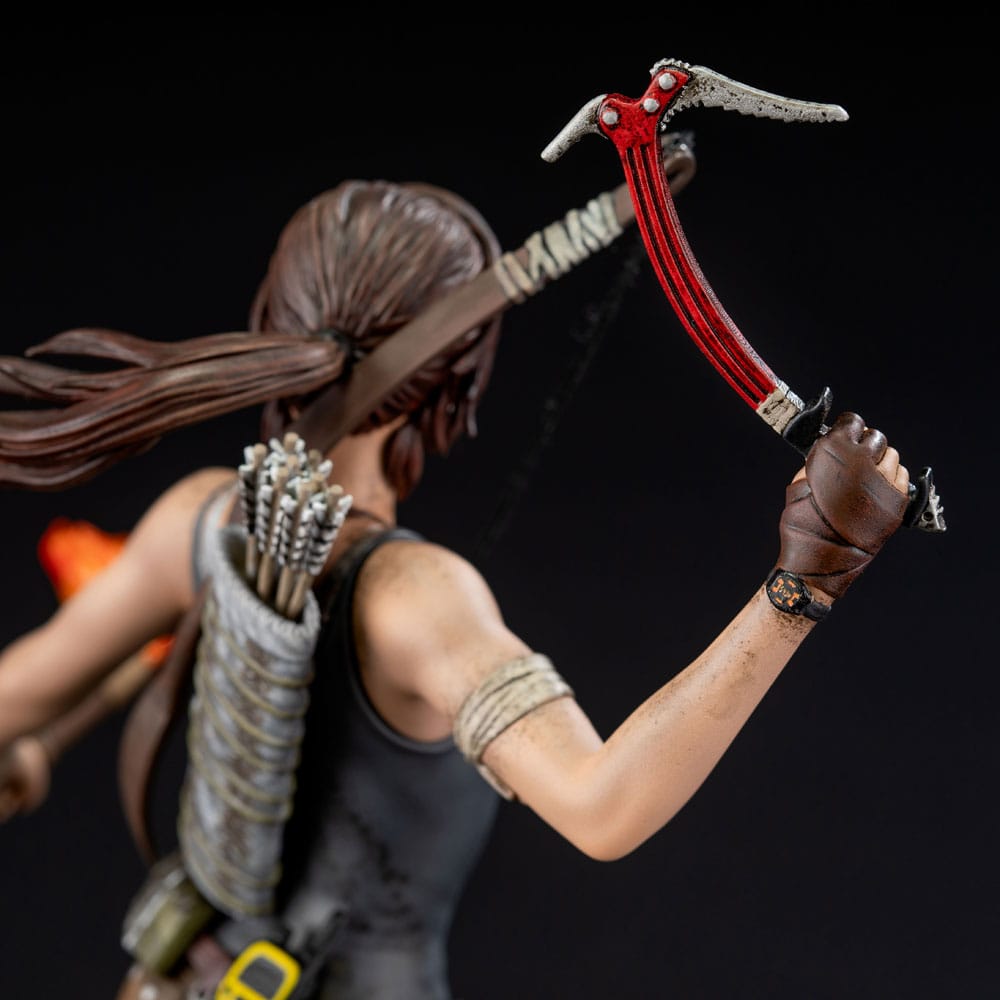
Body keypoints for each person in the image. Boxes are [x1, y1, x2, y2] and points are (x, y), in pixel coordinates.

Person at [0, 177, 911, 999]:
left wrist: (24, 750)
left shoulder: (199, 519)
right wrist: (805, 578)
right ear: (452, 378)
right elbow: (603, 807)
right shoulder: (413, 597)